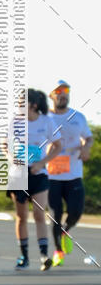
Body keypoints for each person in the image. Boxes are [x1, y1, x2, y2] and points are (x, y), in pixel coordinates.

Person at [7, 89, 61, 271]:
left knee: (39, 214)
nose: (19, 106)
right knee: (21, 217)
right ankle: (24, 256)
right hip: (18, 174)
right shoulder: (15, 121)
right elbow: (5, 145)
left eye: (22, 102)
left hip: (39, 174)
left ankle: (44, 255)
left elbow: (58, 146)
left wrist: (42, 163)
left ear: (34, 105)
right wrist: (12, 157)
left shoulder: (47, 122)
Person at [47, 80, 93, 266]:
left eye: (65, 90)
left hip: (74, 174)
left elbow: (88, 138)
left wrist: (86, 148)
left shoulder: (78, 117)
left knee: (76, 212)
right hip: (51, 176)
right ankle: (58, 251)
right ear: (51, 96)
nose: (62, 94)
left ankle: (66, 230)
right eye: (58, 91)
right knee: (55, 214)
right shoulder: (44, 119)